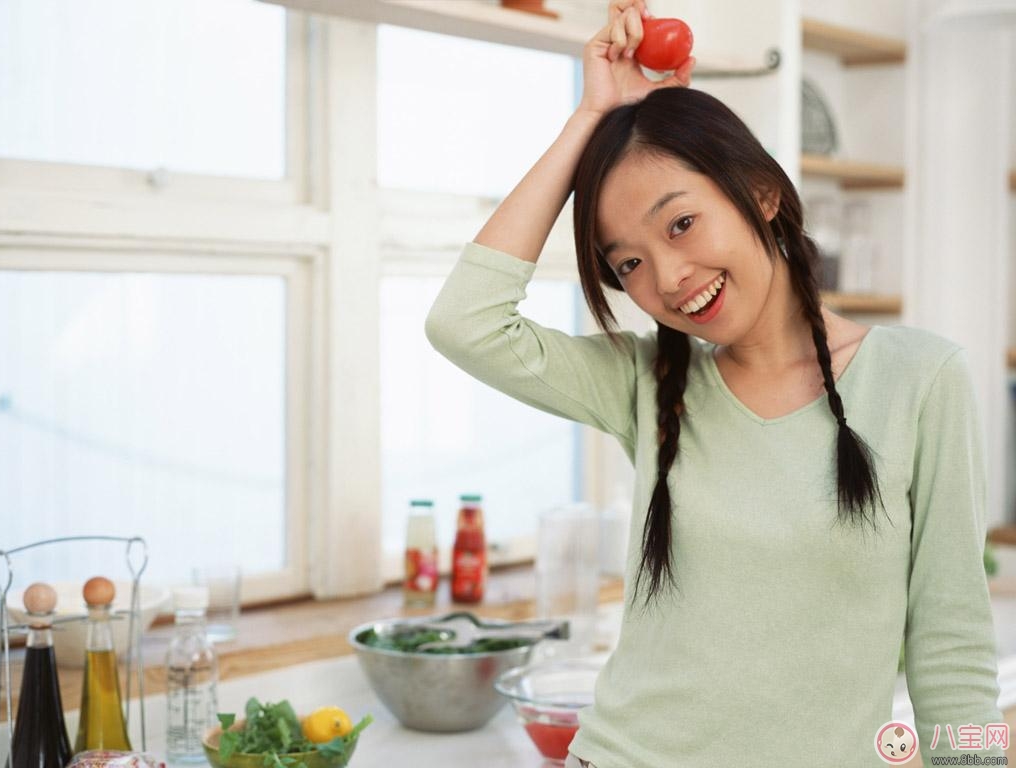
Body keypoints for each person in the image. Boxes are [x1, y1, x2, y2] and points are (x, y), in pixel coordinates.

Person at [424, 1, 1006, 765]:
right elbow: (464, 322)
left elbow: (953, 649)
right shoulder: (644, 385)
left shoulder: (921, 380)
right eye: (627, 262)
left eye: (680, 224)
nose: (667, 278)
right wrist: (593, 116)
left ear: (760, 193)